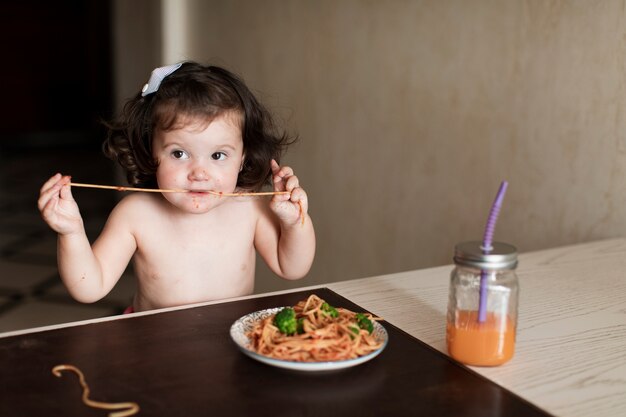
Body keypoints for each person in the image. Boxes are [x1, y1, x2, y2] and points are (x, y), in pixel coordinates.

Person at [38, 61, 315, 312]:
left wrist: (294, 223)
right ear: (152, 152)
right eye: (179, 153)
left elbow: (292, 268)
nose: (199, 173)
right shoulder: (135, 213)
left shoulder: (249, 207)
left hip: (230, 344)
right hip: (155, 346)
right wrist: (71, 232)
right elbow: (89, 288)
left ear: (242, 159)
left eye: (218, 155)